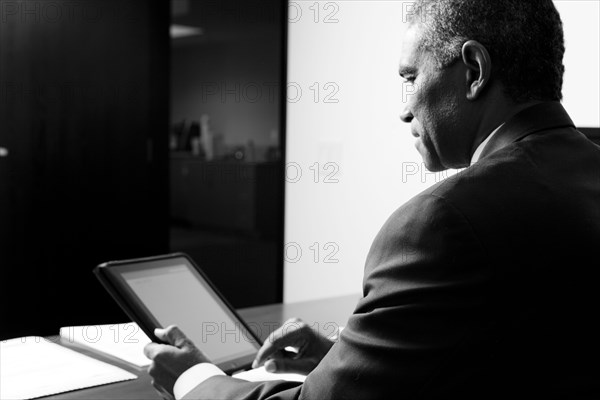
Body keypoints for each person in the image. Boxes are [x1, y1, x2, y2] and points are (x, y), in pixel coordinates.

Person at [144, 0, 600, 398]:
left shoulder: (443, 222)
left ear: (474, 71)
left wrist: (193, 378)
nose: (405, 109)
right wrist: (355, 364)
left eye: (411, 76)